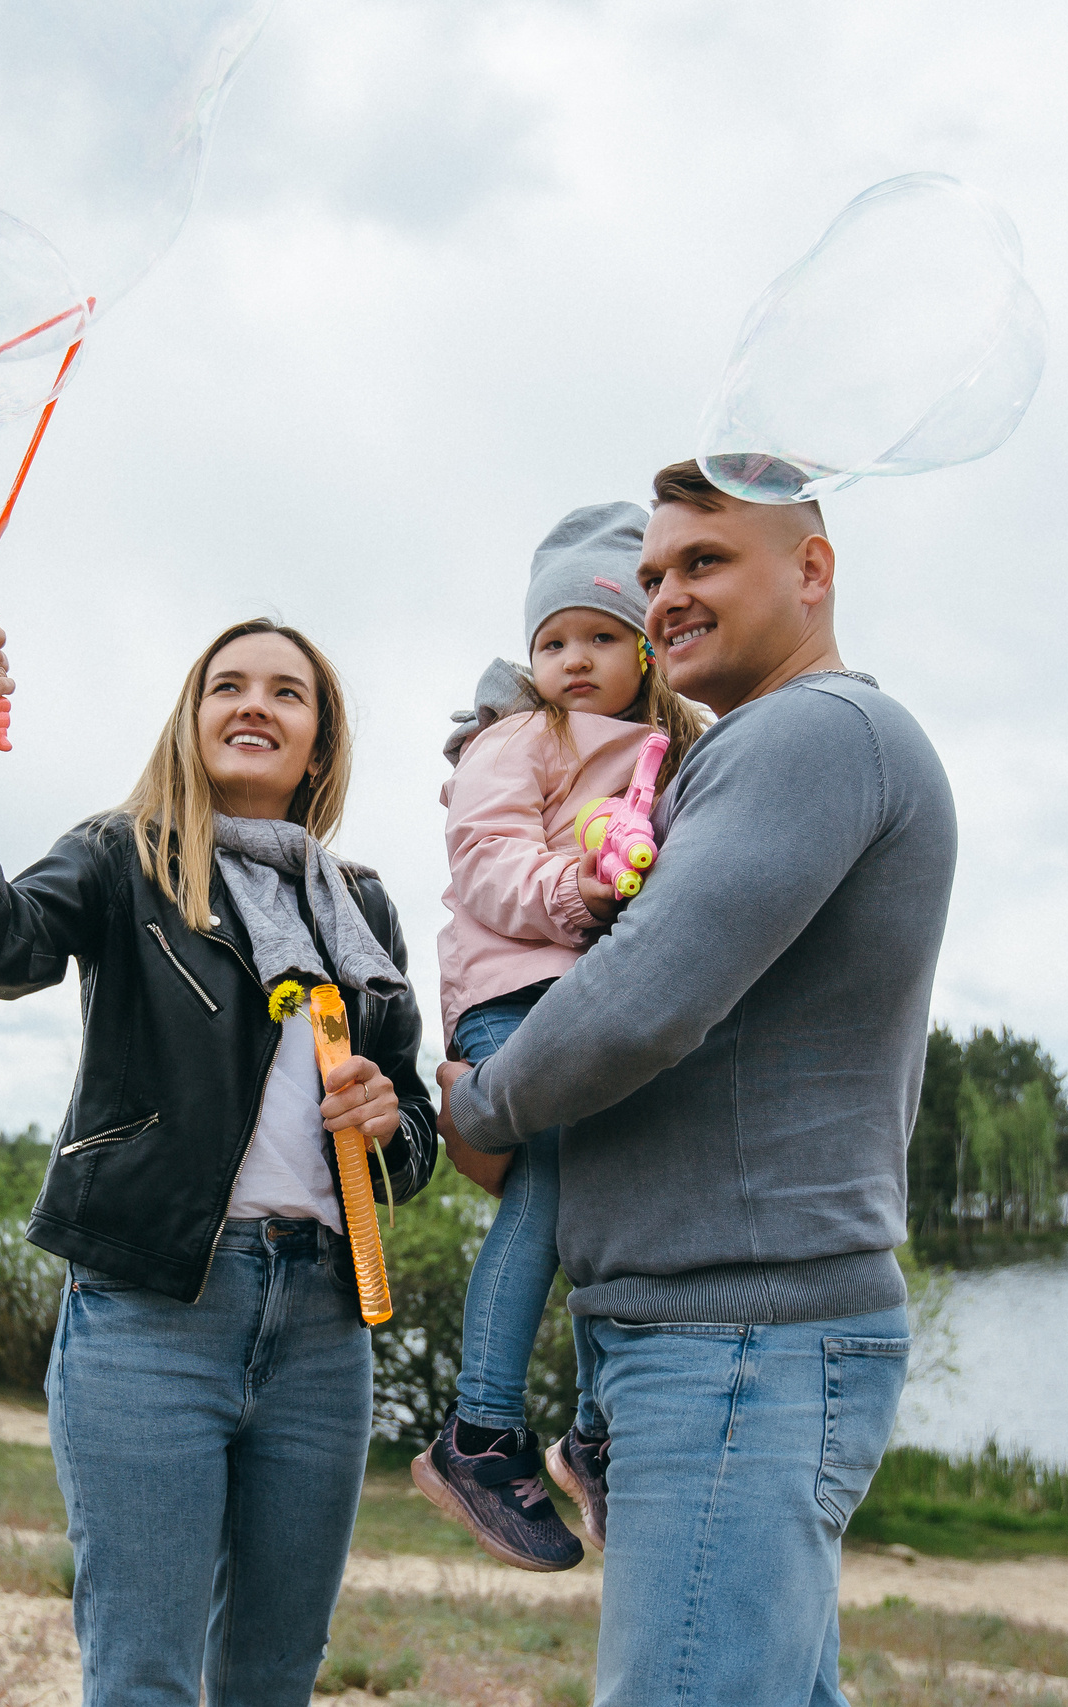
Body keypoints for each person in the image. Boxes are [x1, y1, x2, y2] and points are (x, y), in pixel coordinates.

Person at [438, 460, 958, 1707]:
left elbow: (642, 996)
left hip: (738, 1343)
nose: (663, 593)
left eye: (703, 562)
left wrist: (484, 1103)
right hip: (718, 1335)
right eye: (654, 570)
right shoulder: (742, 751)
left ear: (811, 571)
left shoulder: (809, 734)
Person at [0, 614, 438, 1707]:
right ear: (191, 722)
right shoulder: (123, 858)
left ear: (319, 744)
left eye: (285, 692)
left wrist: (389, 1121)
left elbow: (414, 1131)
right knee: (143, 1678)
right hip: (150, 1315)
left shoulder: (362, 906)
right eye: (226, 686)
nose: (253, 704)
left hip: (323, 1329)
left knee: (273, 1682)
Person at [415, 502, 709, 1572]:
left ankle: (592, 1431)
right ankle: (479, 1431)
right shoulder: (517, 738)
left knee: (605, 1202)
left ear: (646, 649)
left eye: (599, 635)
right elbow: (486, 860)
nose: (573, 660)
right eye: (552, 641)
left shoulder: (669, 749)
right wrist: (579, 890)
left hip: (591, 1000)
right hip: (514, 995)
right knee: (542, 1193)